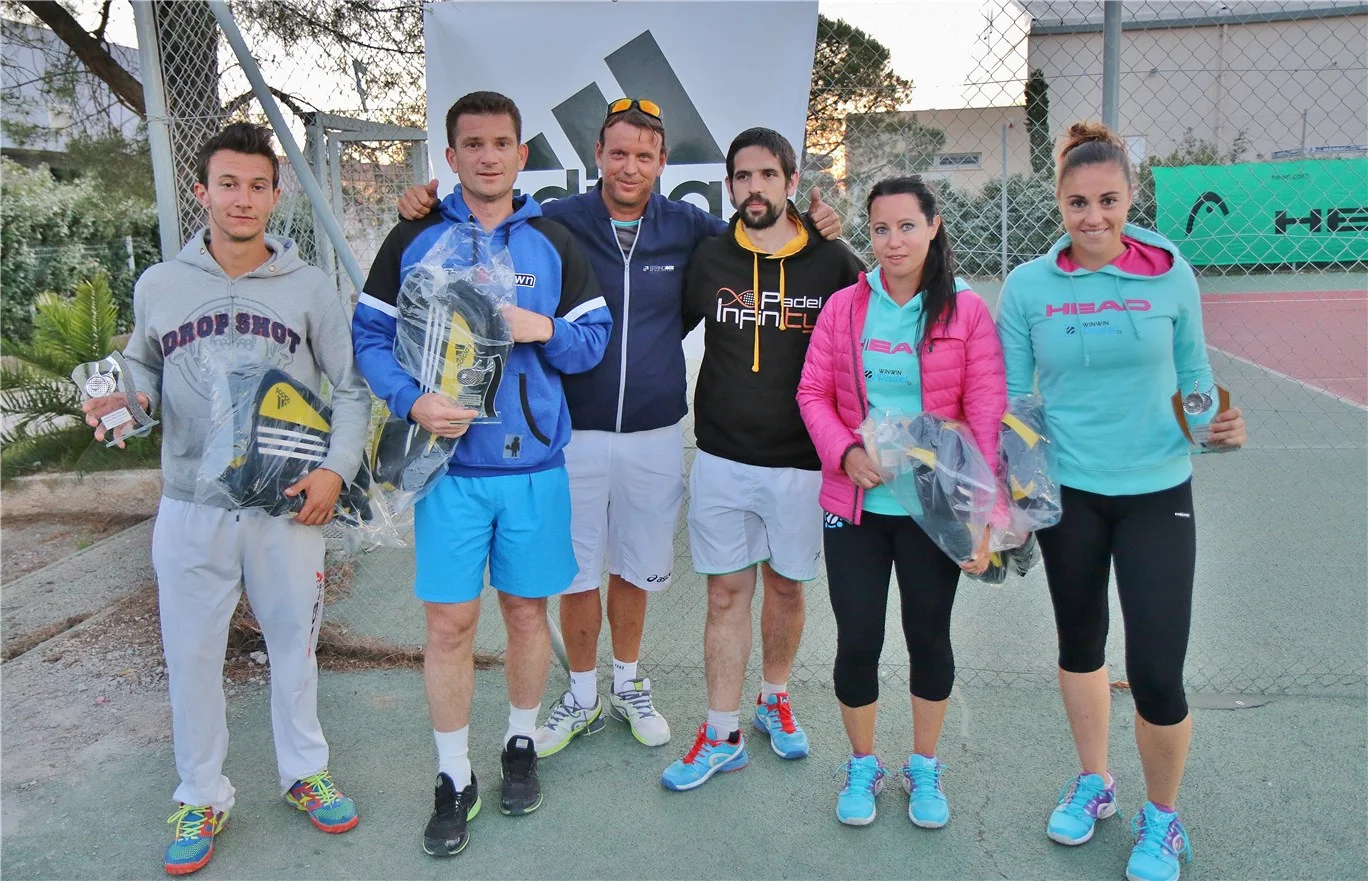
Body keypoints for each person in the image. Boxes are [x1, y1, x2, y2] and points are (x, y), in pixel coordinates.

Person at [396, 100, 841, 758]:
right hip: (571, 429)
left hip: (656, 429)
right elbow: (486, 218)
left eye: (644, 155)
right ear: (597, 156)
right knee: (577, 570)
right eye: (618, 152)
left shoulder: (691, 227)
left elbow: (765, 233)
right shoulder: (557, 222)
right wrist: (423, 209)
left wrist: (817, 221)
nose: (630, 166)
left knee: (635, 565)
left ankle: (628, 681)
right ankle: (581, 692)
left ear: (664, 163)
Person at [81, 122, 370, 875]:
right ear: (202, 193)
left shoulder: (308, 287)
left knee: (294, 646)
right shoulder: (161, 283)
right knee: (192, 656)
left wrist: (337, 469)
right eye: (229, 184)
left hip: (285, 502)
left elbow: (349, 387)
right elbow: (140, 372)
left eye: (258, 185)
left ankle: (304, 770)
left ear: (277, 196)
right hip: (191, 506)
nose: (243, 199)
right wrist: (120, 402)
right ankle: (201, 793)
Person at [351, 91, 611, 857]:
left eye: (502, 142)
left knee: (528, 615)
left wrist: (547, 328)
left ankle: (521, 743)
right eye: (473, 143)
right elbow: (370, 335)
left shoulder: (554, 241)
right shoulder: (415, 234)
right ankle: (453, 772)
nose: (489, 155)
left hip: (532, 467)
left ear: (521, 154)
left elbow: (592, 341)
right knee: (449, 623)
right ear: (452, 155)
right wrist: (412, 399)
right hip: (448, 472)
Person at [996, 121, 1247, 881]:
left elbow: (1194, 371)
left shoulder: (1170, 273)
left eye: (1108, 200)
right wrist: (1016, 499)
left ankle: (1162, 818)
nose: (1093, 217)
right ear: (1059, 204)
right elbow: (1015, 401)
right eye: (1077, 202)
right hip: (1071, 495)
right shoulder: (1027, 287)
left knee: (1159, 670)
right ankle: (1095, 781)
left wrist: (1213, 424)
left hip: (1156, 493)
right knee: (1080, 647)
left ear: (1131, 197)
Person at [796, 175, 1006, 826]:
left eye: (907, 226)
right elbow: (812, 394)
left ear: (933, 226)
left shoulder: (965, 311)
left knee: (928, 636)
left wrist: (984, 516)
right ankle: (862, 764)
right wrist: (846, 453)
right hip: (856, 507)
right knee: (858, 639)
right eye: (881, 228)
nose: (893, 241)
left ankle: (923, 766)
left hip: (932, 509)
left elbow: (986, 412)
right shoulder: (845, 308)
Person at [662, 127, 864, 791]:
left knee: (785, 585)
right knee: (724, 591)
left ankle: (774, 695)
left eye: (767, 176)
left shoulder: (832, 260)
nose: (755, 187)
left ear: (791, 183)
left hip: (804, 463)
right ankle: (720, 731)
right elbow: (658, 328)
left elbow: (886, 312)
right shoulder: (709, 259)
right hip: (721, 456)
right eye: (742, 176)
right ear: (730, 186)